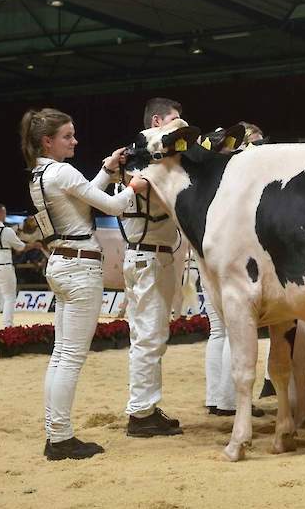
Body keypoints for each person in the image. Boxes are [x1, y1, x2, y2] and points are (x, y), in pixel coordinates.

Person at [21, 107, 144, 461]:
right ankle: (59, 438)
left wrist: (106, 171)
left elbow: (83, 199)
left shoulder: (41, 174)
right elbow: (113, 206)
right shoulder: (62, 171)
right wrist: (134, 184)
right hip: (80, 267)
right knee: (71, 357)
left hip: (61, 262)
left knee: (61, 355)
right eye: (67, 136)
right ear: (48, 141)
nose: (75, 141)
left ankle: (56, 432)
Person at [115, 97, 185, 437]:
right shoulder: (146, 164)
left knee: (148, 335)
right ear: (156, 122)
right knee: (149, 336)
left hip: (147, 254)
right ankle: (141, 415)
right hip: (149, 255)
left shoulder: (133, 160)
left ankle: (146, 408)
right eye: (174, 120)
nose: (179, 127)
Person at [0, 203, 39, 330]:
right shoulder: (6, 231)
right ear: (1, 214)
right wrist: (34, 245)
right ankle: (7, 327)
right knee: (9, 297)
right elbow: (21, 247)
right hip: (3, 267)